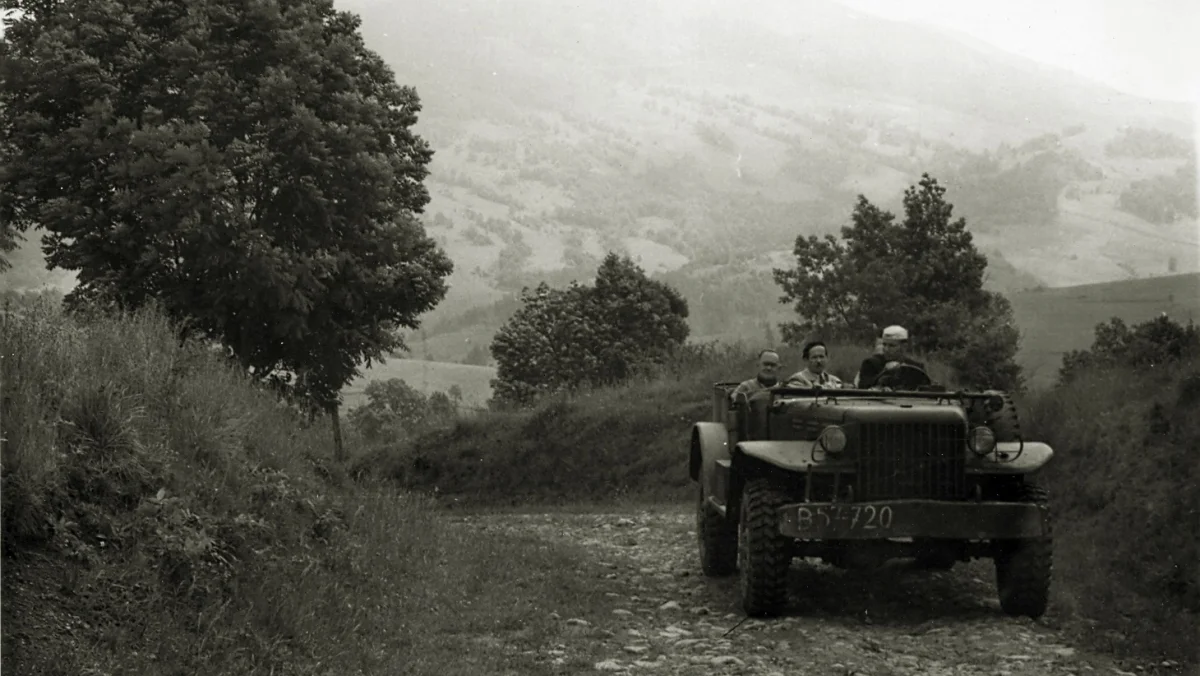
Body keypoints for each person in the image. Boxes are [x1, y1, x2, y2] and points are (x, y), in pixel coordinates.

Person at [855, 325, 926, 389]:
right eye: (884, 345)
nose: (886, 349)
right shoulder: (871, 364)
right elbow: (863, 386)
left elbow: (924, 389)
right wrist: (884, 372)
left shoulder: (915, 368)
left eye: (892, 346)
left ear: (904, 347)